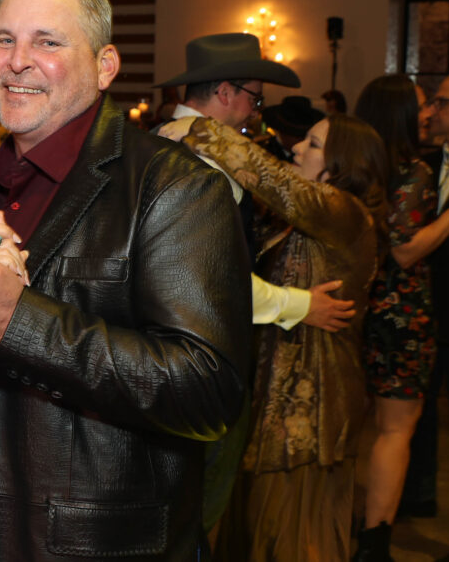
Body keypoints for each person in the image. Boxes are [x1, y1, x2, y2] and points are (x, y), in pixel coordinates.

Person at [0, 0, 251, 561]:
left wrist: (18, 321)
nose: (17, 61)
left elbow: (207, 391)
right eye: (4, 40)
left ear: (104, 67)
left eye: (47, 42)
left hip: (75, 544)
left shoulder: (172, 188)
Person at [161, 110, 387, 561]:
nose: (299, 148)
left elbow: (278, 182)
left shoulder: (344, 211)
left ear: (345, 161)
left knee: (296, 533)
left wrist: (201, 128)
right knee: (262, 529)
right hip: (277, 389)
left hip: (313, 398)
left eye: (315, 144)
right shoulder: (306, 218)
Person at [154, 34, 356, 538]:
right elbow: (210, 275)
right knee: (199, 505)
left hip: (164, 349)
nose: (254, 111)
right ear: (225, 92)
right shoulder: (204, 158)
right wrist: (298, 303)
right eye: (254, 97)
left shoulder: (169, 137)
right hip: (200, 356)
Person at [400, 73, 449, 562]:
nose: (430, 112)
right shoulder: (428, 164)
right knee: (415, 418)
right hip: (422, 317)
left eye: (442, 103)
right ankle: (416, 497)